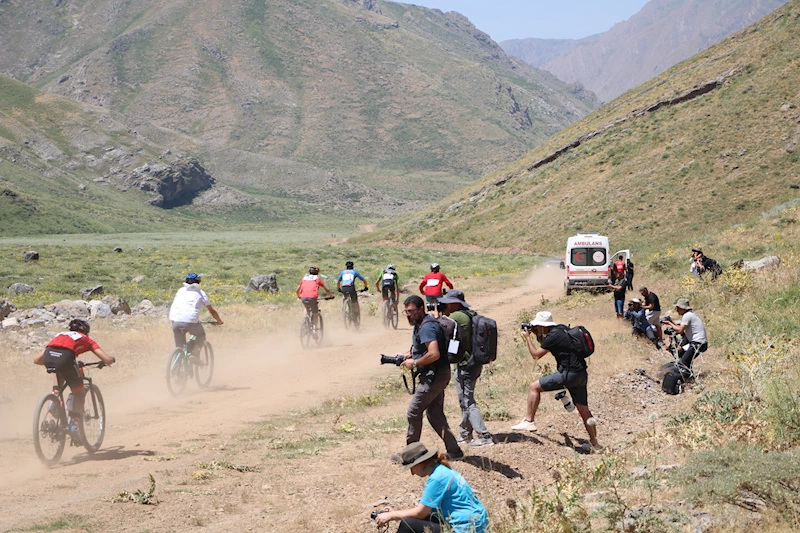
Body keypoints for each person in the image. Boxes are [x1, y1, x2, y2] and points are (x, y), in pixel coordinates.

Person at [513, 311, 599, 451]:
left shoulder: (553, 336)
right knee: (584, 409)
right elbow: (546, 344)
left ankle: (529, 421)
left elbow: (536, 355)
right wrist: (536, 334)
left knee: (534, 386)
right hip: (581, 373)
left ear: (541, 325)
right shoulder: (561, 329)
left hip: (569, 374)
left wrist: (528, 338)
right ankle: (595, 443)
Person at [393, 295, 463, 459]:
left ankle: (411, 454)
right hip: (437, 374)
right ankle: (454, 451)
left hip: (434, 376)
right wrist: (406, 355)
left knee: (414, 412)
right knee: (435, 414)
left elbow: (434, 353)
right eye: (406, 312)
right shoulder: (421, 325)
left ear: (421, 309)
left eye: (411, 311)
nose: (408, 315)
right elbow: (422, 348)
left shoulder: (427, 327)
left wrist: (415, 363)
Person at [33, 318, 115, 443]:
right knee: (79, 393)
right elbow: (106, 359)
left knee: (59, 370)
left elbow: (37, 360)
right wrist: (111, 359)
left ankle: (54, 400)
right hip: (66, 358)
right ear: (86, 331)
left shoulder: (60, 335)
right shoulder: (86, 339)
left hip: (49, 355)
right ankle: (74, 426)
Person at [376, 442, 489, 533]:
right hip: (476, 523)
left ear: (418, 464)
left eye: (411, 468)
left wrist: (391, 516)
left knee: (408, 524)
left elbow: (420, 513)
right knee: (415, 520)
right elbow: (429, 511)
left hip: (465, 528)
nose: (412, 473)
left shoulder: (437, 478)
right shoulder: (442, 470)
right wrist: (396, 514)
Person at [438, 290, 493, 447]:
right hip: (473, 362)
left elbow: (440, 327)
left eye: (448, 302)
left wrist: (439, 315)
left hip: (465, 364)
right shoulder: (470, 313)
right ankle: (465, 433)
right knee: (464, 400)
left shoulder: (457, 316)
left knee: (468, 401)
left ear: (455, 303)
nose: (446, 305)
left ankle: (484, 435)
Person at [169, 273, 223, 362]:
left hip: (175, 320)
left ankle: (177, 368)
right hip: (190, 321)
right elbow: (211, 311)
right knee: (201, 335)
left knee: (180, 347)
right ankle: (195, 353)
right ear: (198, 282)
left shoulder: (180, 290)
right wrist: (219, 321)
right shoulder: (201, 293)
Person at [662, 298, 708, 376]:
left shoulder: (687, 316)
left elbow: (680, 330)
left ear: (682, 308)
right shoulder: (691, 315)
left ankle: (686, 377)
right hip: (698, 342)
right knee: (683, 357)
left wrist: (670, 323)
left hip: (698, 343)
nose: (676, 310)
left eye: (677, 308)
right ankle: (689, 376)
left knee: (683, 363)